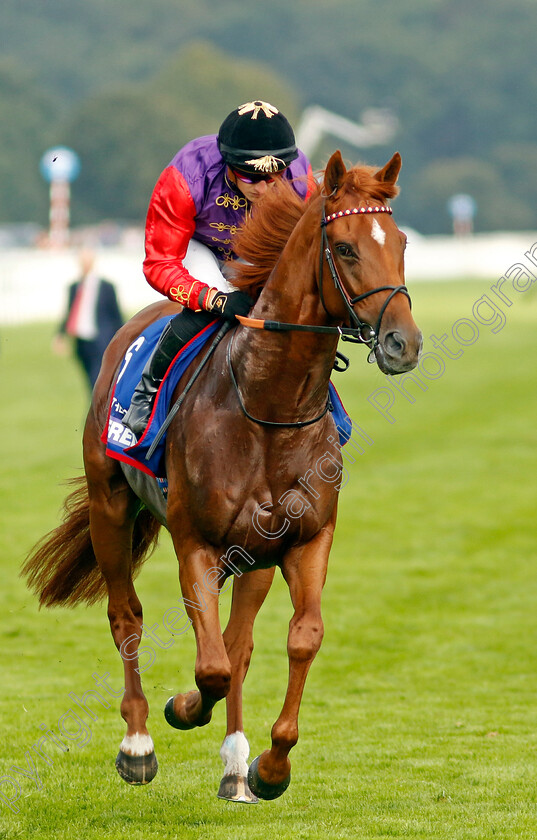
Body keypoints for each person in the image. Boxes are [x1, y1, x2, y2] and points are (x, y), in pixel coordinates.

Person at [123, 99, 314, 438]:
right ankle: (147, 393)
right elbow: (159, 263)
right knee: (214, 310)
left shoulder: (301, 180)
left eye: (273, 178)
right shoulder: (186, 174)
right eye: (251, 177)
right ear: (227, 162)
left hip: (258, 248)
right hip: (200, 245)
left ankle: (322, 404)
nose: (264, 188)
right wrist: (216, 300)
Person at [53, 248, 124, 392]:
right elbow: (69, 312)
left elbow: (116, 315)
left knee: (97, 380)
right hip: (81, 342)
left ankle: (98, 411)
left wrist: (122, 340)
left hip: (101, 340)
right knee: (89, 381)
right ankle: (97, 409)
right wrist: (60, 335)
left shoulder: (106, 287)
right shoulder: (74, 287)